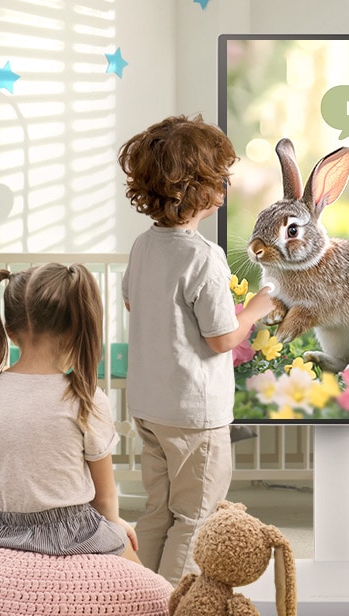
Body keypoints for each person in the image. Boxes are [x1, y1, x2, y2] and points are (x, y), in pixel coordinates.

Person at [117, 114, 277, 583]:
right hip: (194, 414)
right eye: (220, 177)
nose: (226, 185)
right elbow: (222, 338)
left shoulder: (144, 246)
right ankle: (171, 610)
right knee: (196, 516)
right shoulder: (204, 255)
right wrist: (256, 308)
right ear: (198, 189)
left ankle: (137, 598)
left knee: (158, 510)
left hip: (149, 406)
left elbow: (133, 301)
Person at [0, 262, 139, 563]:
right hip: (70, 534)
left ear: (9, 332)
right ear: (76, 328)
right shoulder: (85, 398)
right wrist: (115, 526)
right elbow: (104, 500)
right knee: (151, 582)